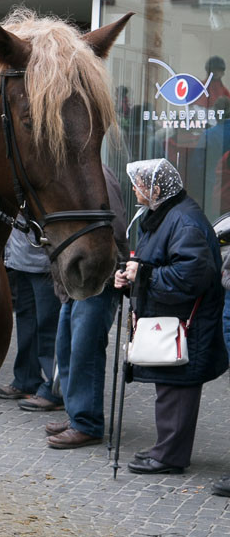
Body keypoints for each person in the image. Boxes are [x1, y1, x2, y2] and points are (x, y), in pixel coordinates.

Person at [114, 158, 226, 474]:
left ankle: (170, 456)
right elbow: (154, 264)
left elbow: (191, 277)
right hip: (171, 321)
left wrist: (143, 276)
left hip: (185, 325)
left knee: (177, 390)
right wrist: (129, 278)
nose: (135, 189)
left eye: (139, 184)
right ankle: (166, 450)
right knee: (170, 389)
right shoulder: (165, 215)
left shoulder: (183, 221)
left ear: (157, 189)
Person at [45, 167, 129, 448]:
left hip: (95, 278)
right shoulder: (71, 176)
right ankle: (76, 415)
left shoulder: (98, 176)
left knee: (85, 351)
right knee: (67, 349)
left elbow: (113, 227)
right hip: (75, 281)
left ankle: (87, 423)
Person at [0, 227, 62, 410]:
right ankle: (25, 379)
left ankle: (55, 390)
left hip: (42, 261)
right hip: (21, 259)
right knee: (26, 322)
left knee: (48, 326)